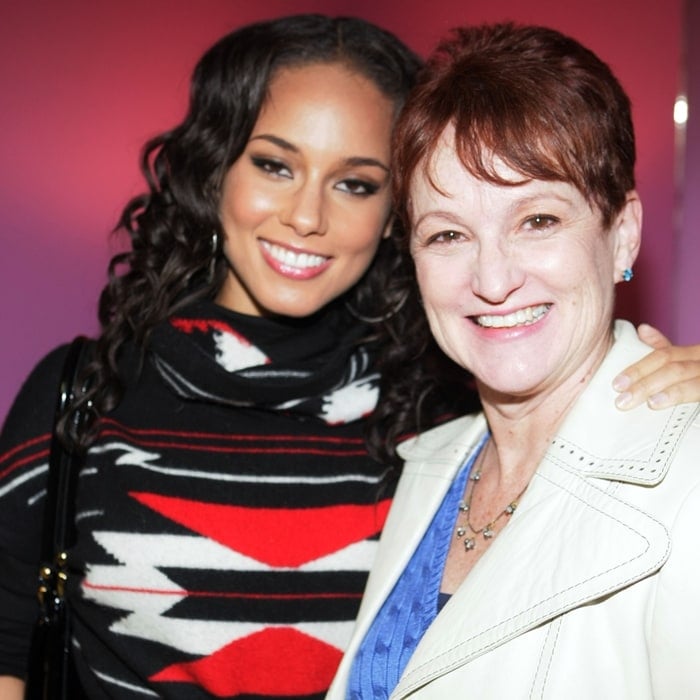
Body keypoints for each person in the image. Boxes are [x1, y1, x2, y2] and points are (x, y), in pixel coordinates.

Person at [0, 14, 696, 700]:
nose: (307, 216)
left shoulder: (432, 405)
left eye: (355, 183)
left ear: (394, 213)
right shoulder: (87, 392)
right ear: (216, 173)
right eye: (275, 165)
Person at [328, 22, 700, 699]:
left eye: (538, 221)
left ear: (622, 234)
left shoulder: (689, 484)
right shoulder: (430, 466)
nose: (492, 280)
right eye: (448, 234)